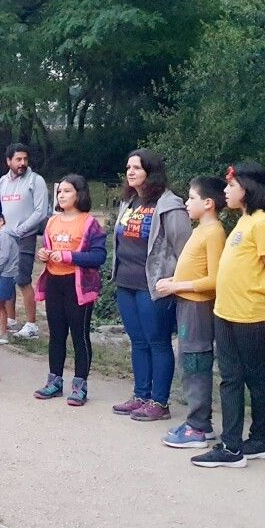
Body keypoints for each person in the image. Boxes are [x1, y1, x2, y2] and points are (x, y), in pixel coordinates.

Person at [192, 164, 265, 468]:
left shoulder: (262, 223)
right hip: (227, 312)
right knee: (231, 378)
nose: (226, 192)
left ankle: (251, 443)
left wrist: (250, 290)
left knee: (253, 377)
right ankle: (241, 443)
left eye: (231, 186)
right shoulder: (244, 221)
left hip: (251, 315)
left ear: (247, 188)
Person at [111, 149, 191, 422]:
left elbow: (185, 250)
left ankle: (160, 402)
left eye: (137, 168)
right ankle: (140, 395)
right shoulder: (129, 202)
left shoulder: (170, 206)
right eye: (128, 167)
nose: (130, 172)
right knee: (137, 341)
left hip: (154, 285)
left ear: (151, 172)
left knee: (158, 342)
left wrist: (176, 282)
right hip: (126, 282)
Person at [156, 177, 227, 449]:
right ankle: (200, 422)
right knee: (187, 360)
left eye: (191, 198)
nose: (186, 203)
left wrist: (176, 285)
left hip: (198, 309)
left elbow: (214, 279)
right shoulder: (200, 230)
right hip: (186, 305)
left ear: (208, 203)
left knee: (195, 362)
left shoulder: (214, 232)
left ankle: (198, 426)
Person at [32, 175, 107, 406]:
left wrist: (68, 256)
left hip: (78, 286)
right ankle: (54, 382)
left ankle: (80, 385)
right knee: (56, 334)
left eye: (67, 191)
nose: (61, 195)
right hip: (54, 282)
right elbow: (47, 247)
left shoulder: (89, 223)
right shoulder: (52, 222)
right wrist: (43, 254)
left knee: (79, 335)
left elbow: (98, 256)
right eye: (59, 192)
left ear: (79, 194)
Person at [0, 143, 49, 339]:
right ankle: (11, 319)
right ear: (8, 161)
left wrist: (21, 229)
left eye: (25, 159)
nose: (22, 163)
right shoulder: (3, 181)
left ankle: (32, 324)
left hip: (25, 236)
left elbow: (40, 211)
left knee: (23, 279)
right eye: (18, 159)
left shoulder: (36, 181)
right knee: (7, 277)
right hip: (6, 237)